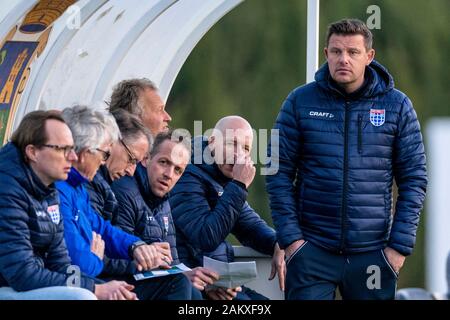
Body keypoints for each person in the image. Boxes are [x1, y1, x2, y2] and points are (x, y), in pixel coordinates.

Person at [266, 19, 427, 300]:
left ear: (369, 56)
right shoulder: (299, 102)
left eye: (353, 52)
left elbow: (414, 180)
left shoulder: (397, 106)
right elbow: (276, 171)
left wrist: (398, 248)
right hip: (311, 251)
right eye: (336, 51)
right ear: (326, 53)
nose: (344, 59)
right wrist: (291, 240)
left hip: (374, 255)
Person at [55, 105, 192, 300]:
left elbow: (102, 228)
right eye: (103, 153)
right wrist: (97, 260)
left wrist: (135, 246)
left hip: (73, 281)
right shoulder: (64, 188)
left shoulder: (76, 187)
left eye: (178, 170)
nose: (103, 161)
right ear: (85, 152)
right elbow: (81, 263)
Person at [0, 110, 129, 300]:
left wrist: (101, 287)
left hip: (31, 282)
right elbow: (22, 274)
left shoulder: (48, 189)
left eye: (72, 148)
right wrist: (94, 289)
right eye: (62, 149)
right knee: (84, 297)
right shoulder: (7, 190)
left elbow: (61, 264)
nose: (73, 157)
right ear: (33, 152)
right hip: (9, 286)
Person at [170, 116, 285, 300]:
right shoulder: (187, 173)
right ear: (213, 142)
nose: (238, 154)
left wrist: (278, 243)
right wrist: (239, 185)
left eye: (246, 148)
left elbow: (250, 226)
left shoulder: (223, 180)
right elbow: (205, 237)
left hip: (222, 284)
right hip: (193, 285)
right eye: (232, 143)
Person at [111, 131, 228, 299]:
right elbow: (115, 256)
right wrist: (146, 256)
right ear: (146, 159)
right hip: (119, 284)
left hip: (151, 282)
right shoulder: (125, 191)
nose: (169, 174)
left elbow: (172, 265)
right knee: (179, 284)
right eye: (164, 162)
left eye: (178, 170)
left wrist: (205, 284)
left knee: (194, 290)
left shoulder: (164, 202)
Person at [86, 109, 151, 221]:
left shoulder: (103, 186)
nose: (131, 172)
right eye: (131, 159)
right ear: (113, 140)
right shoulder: (91, 182)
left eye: (136, 163)